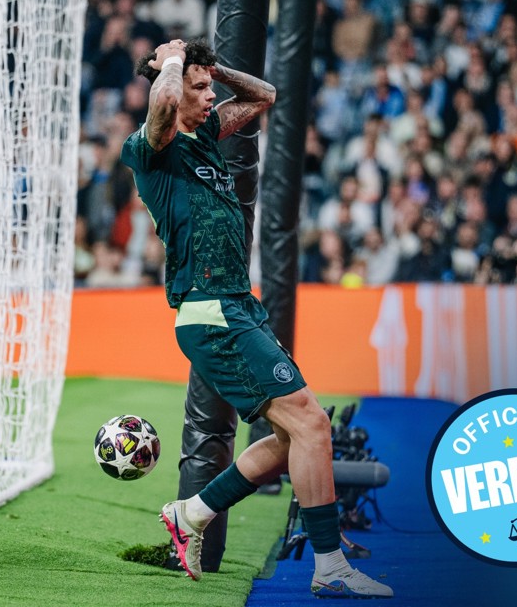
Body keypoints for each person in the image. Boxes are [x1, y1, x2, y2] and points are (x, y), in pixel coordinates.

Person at [120, 39, 392, 598]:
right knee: (313, 423)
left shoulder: (207, 138)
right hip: (209, 310)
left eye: (209, 86)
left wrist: (210, 67)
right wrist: (173, 63)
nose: (208, 95)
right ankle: (330, 565)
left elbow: (265, 93)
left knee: (296, 437)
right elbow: (164, 105)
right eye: (198, 88)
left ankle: (192, 513)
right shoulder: (153, 149)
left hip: (239, 306)